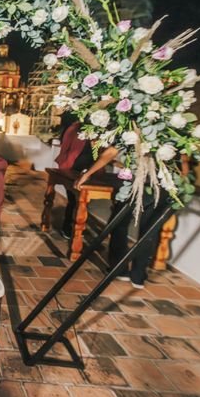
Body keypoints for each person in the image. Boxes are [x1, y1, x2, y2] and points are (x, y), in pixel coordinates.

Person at [76, 147, 168, 289]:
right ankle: (138, 276)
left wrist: (87, 174)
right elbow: (184, 165)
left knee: (119, 223)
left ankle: (119, 269)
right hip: (165, 185)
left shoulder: (136, 125)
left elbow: (110, 152)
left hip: (141, 184)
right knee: (149, 231)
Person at [55, 112, 96, 239]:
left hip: (90, 170)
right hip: (73, 168)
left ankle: (79, 227)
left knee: (85, 201)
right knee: (73, 200)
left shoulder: (98, 132)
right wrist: (63, 164)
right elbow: (65, 147)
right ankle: (67, 227)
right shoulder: (75, 128)